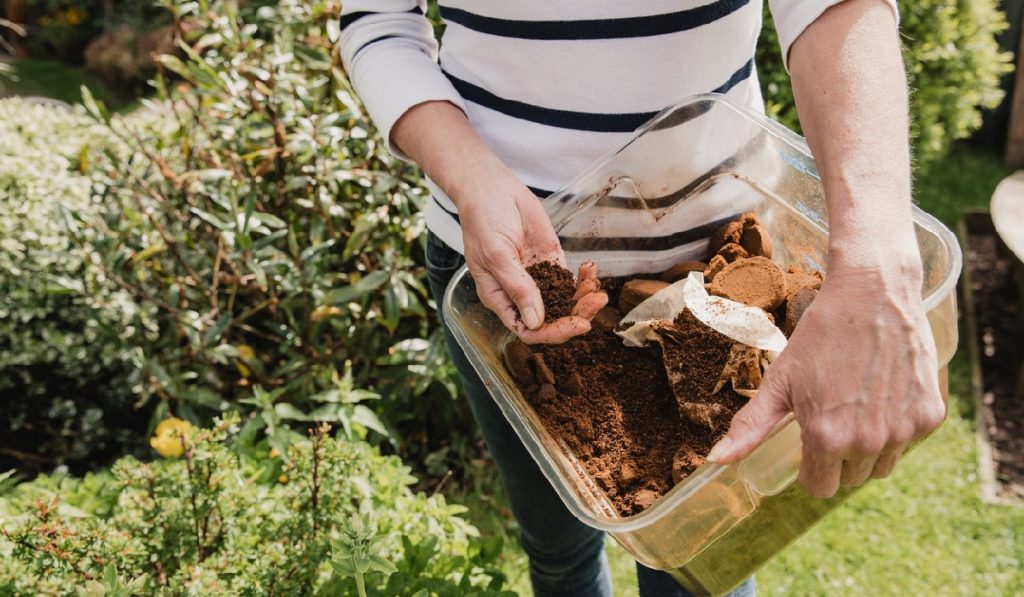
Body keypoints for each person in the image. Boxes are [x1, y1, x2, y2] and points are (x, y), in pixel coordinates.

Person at [338, 1, 946, 595]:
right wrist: (472, 178)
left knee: (699, 576)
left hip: (720, 278)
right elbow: (378, 20)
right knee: (558, 552)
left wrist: (875, 269)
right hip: (508, 283)